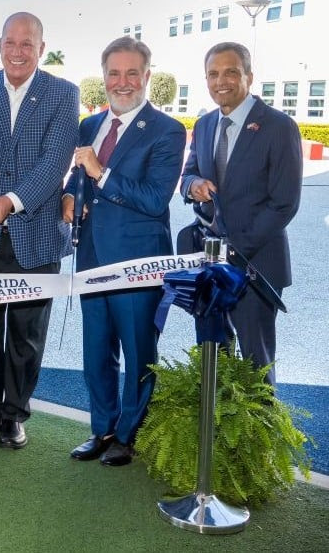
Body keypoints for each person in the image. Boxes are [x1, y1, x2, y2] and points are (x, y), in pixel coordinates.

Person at [62, 37, 186, 466]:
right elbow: (80, 178)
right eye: (114, 73)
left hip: (137, 262)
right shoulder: (89, 125)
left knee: (137, 351)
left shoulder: (168, 130)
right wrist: (69, 194)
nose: (123, 81)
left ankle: (130, 436)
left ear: (147, 76)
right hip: (92, 256)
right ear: (104, 77)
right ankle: (103, 428)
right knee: (96, 348)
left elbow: (154, 200)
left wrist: (101, 171)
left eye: (132, 73)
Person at [0, 12, 78, 450]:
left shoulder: (63, 94)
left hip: (38, 233)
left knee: (27, 333)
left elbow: (55, 163)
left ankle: (15, 414)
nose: (17, 51)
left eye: (27, 44)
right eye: (10, 42)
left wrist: (11, 200)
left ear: (41, 49)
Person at [180, 42, 302, 386]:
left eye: (231, 71)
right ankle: (213, 433)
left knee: (255, 364)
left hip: (255, 267)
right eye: (213, 74)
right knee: (212, 356)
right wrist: (193, 185)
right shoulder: (204, 125)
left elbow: (284, 203)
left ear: (249, 75)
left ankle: (257, 437)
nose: (222, 81)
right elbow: (187, 174)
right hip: (207, 265)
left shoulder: (279, 126)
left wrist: (234, 250)